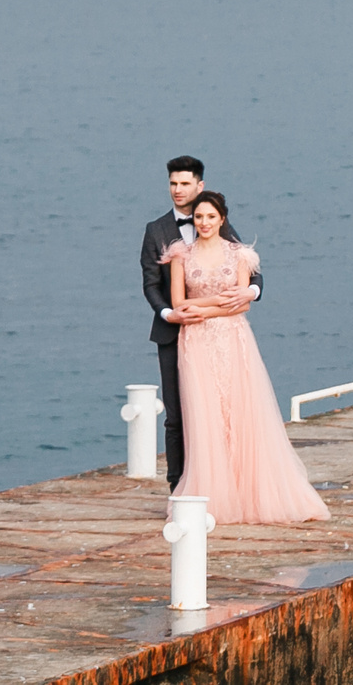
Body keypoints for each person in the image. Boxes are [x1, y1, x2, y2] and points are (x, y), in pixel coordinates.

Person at [162, 189, 331, 524]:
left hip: (232, 338)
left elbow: (242, 303)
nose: (205, 223)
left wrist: (203, 305)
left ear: (222, 218)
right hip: (195, 340)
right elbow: (180, 303)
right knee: (204, 417)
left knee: (239, 414)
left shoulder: (240, 255)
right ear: (192, 220)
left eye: (211, 217)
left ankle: (247, 494)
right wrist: (211, 305)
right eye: (199, 217)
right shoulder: (181, 255)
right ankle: (213, 495)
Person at [140, 156, 261, 490]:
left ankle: (230, 484)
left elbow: (248, 267)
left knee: (225, 410)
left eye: (184, 183)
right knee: (178, 417)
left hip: (222, 332)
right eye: (173, 184)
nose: (178, 190)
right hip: (173, 332)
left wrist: (250, 292)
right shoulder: (156, 231)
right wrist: (170, 313)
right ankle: (178, 488)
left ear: (199, 185)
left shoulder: (215, 218)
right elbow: (151, 284)